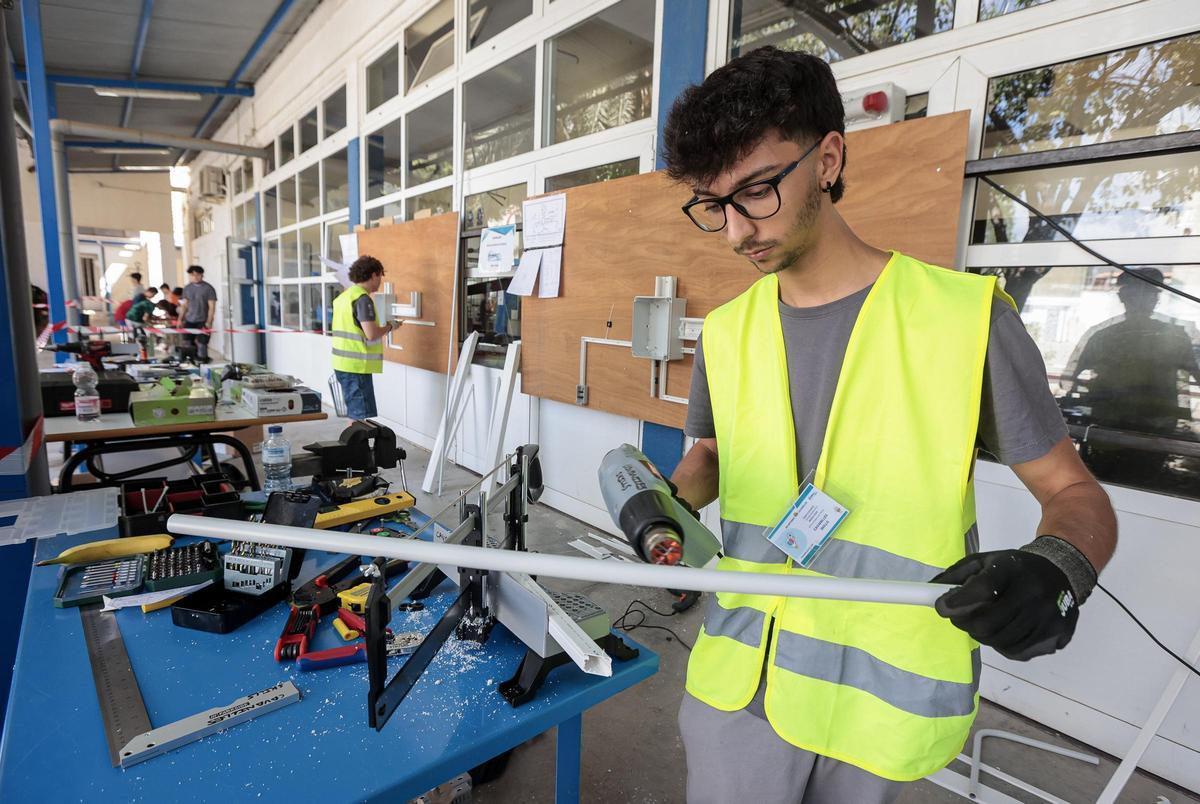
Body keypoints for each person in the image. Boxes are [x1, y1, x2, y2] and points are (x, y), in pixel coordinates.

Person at [660, 47, 1117, 803]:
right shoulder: (727, 330)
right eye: (714, 206)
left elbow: (1074, 492)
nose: (737, 232)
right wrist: (665, 500)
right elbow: (711, 451)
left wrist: (1058, 568)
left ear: (828, 158)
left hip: (881, 699)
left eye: (758, 191)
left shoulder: (965, 322)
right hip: (741, 678)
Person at [331, 255, 401, 420]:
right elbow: (371, 334)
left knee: (354, 414)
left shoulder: (343, 298)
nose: (380, 281)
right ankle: (357, 438)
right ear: (374, 275)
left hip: (342, 364)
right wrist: (391, 326)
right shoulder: (362, 299)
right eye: (380, 276)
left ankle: (355, 438)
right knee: (360, 417)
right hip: (356, 367)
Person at [178, 265, 217, 363]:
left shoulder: (208, 288)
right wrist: (180, 319)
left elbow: (212, 307)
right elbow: (184, 305)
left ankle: (203, 362)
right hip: (189, 320)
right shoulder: (187, 288)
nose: (195, 277)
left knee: (202, 344)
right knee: (187, 344)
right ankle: (190, 364)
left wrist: (209, 322)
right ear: (189, 276)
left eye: (197, 275)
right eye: (192, 275)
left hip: (203, 321)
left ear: (202, 275)